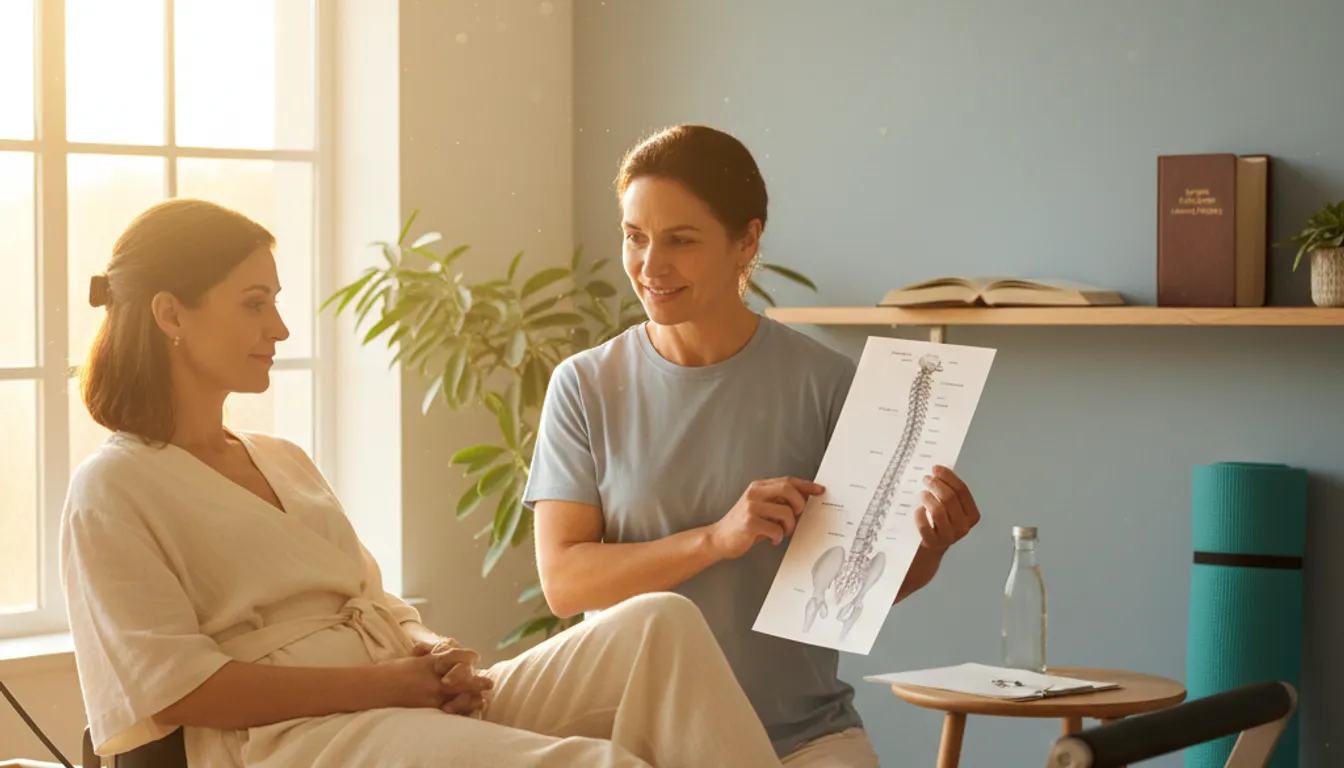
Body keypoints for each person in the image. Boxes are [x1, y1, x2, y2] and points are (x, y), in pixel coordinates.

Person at [60, 197, 787, 768]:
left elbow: (373, 599)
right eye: (254, 302)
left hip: (397, 699)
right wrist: (389, 687)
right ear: (169, 314)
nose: (279, 328)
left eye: (275, 301)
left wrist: (429, 654)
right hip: (291, 743)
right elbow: (183, 689)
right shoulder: (115, 488)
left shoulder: (279, 457)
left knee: (658, 622)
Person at [524, 125, 984, 766]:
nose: (650, 267)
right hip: (630, 741)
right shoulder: (584, 386)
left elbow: (854, 590)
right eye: (635, 237)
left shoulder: (829, 385)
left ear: (748, 240)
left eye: (681, 240)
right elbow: (566, 583)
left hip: (801, 739)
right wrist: (716, 538)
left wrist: (929, 546)